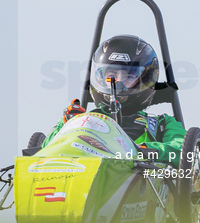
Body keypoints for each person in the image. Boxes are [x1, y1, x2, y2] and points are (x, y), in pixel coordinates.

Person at [42, 35, 186, 167]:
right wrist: (68, 122)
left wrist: (145, 150)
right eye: (112, 75)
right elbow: (45, 151)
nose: (119, 82)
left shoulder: (161, 123)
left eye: (129, 76)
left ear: (146, 81)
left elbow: (183, 150)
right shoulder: (85, 119)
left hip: (139, 180)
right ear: (99, 78)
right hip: (85, 173)